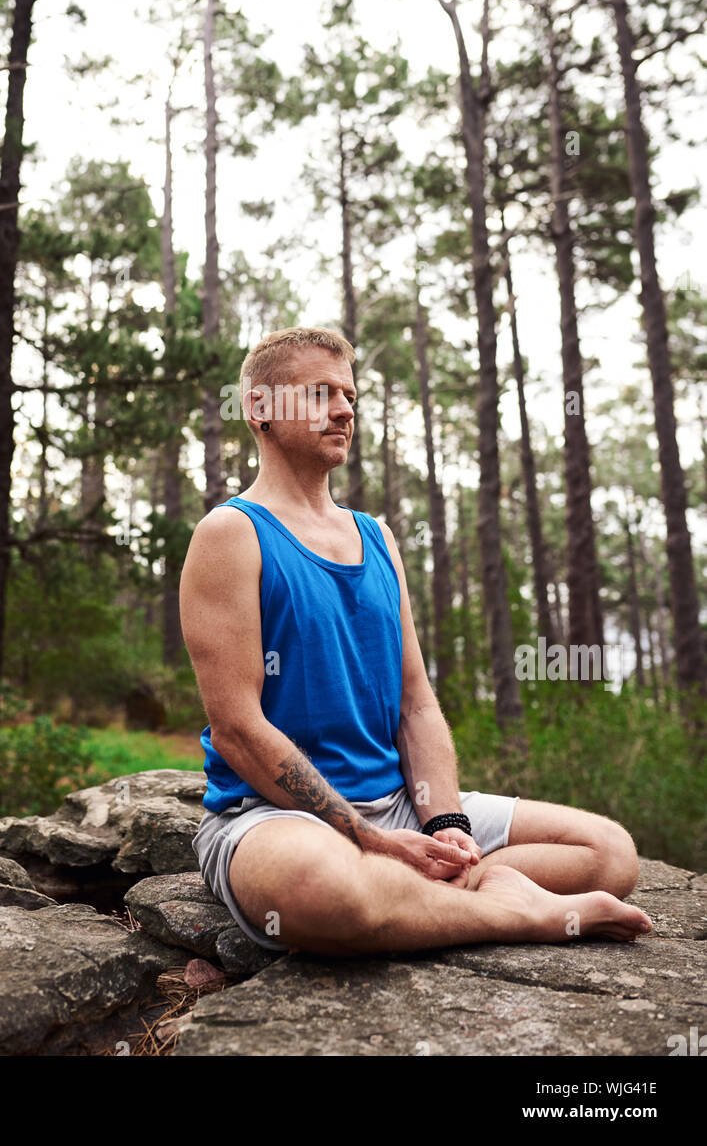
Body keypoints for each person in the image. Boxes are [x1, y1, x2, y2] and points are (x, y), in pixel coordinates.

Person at [180, 326, 651, 956]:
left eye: (349, 396)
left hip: (400, 804)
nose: (345, 409)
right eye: (320, 393)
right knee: (322, 888)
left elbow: (416, 703)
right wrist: (367, 838)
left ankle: (420, 895)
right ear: (260, 409)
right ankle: (515, 912)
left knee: (608, 853)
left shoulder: (376, 537)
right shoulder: (230, 534)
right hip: (275, 817)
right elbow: (237, 727)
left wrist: (445, 823)